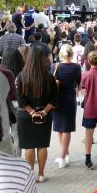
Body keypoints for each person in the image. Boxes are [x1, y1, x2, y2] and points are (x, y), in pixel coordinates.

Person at [16, 45, 59, 182]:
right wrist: (44, 111)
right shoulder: (49, 77)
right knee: (42, 145)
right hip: (45, 115)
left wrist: (32, 111)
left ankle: (30, 176)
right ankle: (41, 174)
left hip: (26, 115)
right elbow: (54, 98)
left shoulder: (21, 77)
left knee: (29, 146)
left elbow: (20, 100)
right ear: (42, 59)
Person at [52, 44, 81, 169]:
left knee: (59, 128)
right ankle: (64, 155)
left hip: (57, 99)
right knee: (66, 128)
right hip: (70, 98)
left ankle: (63, 156)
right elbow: (78, 83)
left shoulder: (56, 66)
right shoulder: (76, 67)